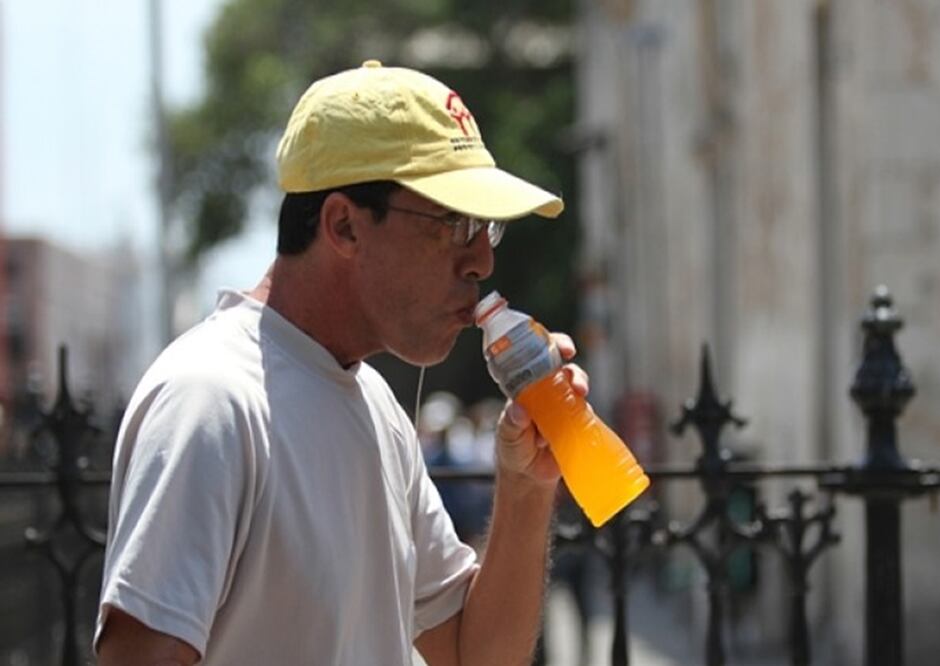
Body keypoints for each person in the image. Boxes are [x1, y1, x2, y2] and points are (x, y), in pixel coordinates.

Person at [94, 59, 583, 666]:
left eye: (485, 228)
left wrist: (528, 486)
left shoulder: (376, 407)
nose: (481, 260)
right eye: (455, 223)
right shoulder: (211, 398)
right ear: (345, 225)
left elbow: (474, 656)